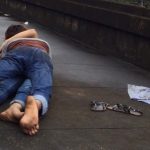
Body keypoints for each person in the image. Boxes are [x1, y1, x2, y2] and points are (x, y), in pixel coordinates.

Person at [0, 24, 53, 135]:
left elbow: (32, 31)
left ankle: (16, 108)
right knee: (38, 83)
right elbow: (32, 31)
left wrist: (4, 43)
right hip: (40, 56)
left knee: (8, 83)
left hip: (17, 54)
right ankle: (34, 104)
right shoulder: (38, 42)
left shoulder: (10, 43)